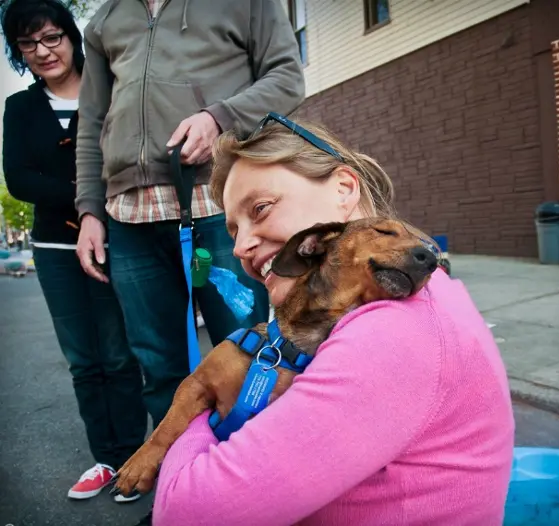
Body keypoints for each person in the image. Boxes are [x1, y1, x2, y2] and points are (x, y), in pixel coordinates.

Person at [151, 115, 516, 525]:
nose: (240, 246)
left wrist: (202, 404)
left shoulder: (393, 332)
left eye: (262, 208)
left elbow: (184, 513)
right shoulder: (413, 297)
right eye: (233, 229)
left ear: (344, 188)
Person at [74, 0, 304, 436]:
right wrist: (89, 209)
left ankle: (256, 485)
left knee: (246, 354)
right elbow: (92, 122)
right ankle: (181, 485)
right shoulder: (105, 19)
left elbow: (288, 78)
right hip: (129, 217)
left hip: (219, 207)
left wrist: (220, 119)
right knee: (158, 367)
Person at [1, 0, 147, 503]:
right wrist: (85, 193)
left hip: (117, 238)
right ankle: (105, 458)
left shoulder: (108, 88)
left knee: (119, 353)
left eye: (51, 38)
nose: (42, 52)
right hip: (54, 248)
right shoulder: (19, 108)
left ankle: (133, 457)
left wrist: (96, 203)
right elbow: (19, 180)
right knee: (83, 360)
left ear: (70, 34)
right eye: (27, 44)